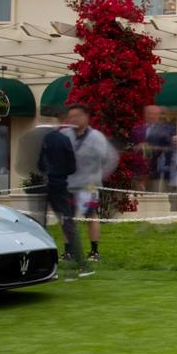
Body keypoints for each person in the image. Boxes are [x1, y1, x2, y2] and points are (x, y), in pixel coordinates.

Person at [61, 104, 117, 263]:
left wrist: (97, 177)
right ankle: (68, 252)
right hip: (68, 184)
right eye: (71, 116)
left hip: (88, 185)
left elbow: (111, 159)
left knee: (91, 216)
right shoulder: (65, 135)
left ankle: (94, 251)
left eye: (77, 116)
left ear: (86, 117)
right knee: (67, 218)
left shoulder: (96, 137)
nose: (73, 119)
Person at [37, 118, 90, 277]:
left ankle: (42, 264)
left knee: (41, 225)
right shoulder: (63, 140)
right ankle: (81, 264)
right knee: (68, 224)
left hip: (43, 185)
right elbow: (72, 166)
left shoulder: (43, 139)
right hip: (60, 185)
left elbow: (40, 163)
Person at [135, 105, 174, 193]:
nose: (152, 116)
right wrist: (137, 147)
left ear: (159, 115)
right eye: (149, 114)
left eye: (155, 114)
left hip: (156, 171)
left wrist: (152, 148)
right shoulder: (137, 129)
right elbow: (129, 145)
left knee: (154, 197)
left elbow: (170, 149)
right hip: (138, 172)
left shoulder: (167, 130)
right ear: (145, 115)